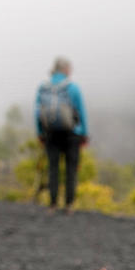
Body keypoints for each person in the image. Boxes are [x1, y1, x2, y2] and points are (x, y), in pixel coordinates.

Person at [35, 57, 88, 212]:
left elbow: (37, 111)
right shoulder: (73, 88)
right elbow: (81, 112)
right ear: (65, 69)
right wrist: (83, 133)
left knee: (53, 168)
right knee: (71, 169)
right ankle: (69, 205)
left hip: (50, 133)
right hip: (72, 133)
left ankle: (52, 204)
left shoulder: (43, 87)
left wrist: (40, 132)